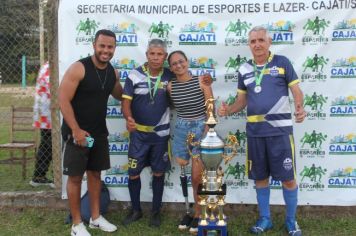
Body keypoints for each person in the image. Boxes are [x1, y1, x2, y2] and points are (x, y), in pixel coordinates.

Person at [218, 26, 306, 236]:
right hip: (256, 133)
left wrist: (299, 108)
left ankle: (291, 221)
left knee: (288, 178)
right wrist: (227, 110)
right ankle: (265, 219)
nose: (257, 44)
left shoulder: (282, 62)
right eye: (253, 41)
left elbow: (296, 90)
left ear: (269, 42)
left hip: (280, 132)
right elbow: (242, 101)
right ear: (249, 45)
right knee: (260, 179)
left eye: (261, 40)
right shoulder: (244, 69)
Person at [122, 40, 212, 228]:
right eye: (152, 54)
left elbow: (198, 90)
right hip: (142, 134)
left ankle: (158, 212)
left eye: (160, 54)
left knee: (163, 173)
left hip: (165, 134)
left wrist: (207, 81)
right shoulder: (138, 75)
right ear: (147, 54)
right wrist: (129, 118)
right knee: (134, 173)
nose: (156, 57)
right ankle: (136, 210)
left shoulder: (172, 75)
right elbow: (126, 102)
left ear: (165, 57)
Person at [59, 29, 122, 236]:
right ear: (94, 45)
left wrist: (143, 85)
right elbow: (63, 100)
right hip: (77, 133)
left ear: (114, 48)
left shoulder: (112, 72)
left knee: (95, 174)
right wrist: (76, 130)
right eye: (102, 46)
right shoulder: (79, 68)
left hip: (98, 134)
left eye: (110, 47)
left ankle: (95, 218)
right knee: (76, 178)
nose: (106, 50)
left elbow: (120, 94)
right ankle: (77, 224)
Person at [167, 50, 213, 233]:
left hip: (200, 127)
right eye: (174, 64)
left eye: (181, 61)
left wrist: (208, 129)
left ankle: (199, 213)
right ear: (170, 68)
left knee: (196, 177)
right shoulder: (170, 86)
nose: (178, 65)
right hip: (180, 128)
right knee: (183, 168)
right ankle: (190, 210)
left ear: (187, 61)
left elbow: (210, 106)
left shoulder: (202, 81)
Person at [29, 61, 54, 188]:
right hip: (47, 113)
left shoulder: (49, 65)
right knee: (48, 145)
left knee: (48, 145)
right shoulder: (50, 67)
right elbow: (53, 88)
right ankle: (39, 176)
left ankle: (43, 175)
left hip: (48, 113)